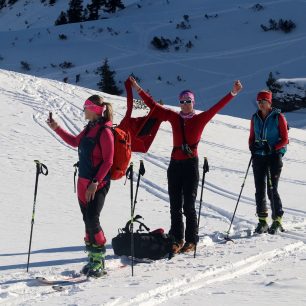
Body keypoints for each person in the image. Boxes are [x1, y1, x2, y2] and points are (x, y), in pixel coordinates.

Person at [129, 76, 243, 253]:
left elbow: (217, 107)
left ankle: (191, 240)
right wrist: (137, 88)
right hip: (175, 165)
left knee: (188, 206)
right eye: (182, 101)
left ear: (193, 102)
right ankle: (177, 239)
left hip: (190, 166)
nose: (184, 104)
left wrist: (233, 93)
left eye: (188, 101)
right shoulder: (174, 117)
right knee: (174, 205)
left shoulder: (200, 119)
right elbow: (153, 106)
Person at [47, 95, 114, 277]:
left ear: (93, 109)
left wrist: (95, 183)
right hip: (83, 183)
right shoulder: (89, 129)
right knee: (87, 221)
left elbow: (108, 161)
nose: (83, 110)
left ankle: (99, 260)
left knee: (93, 219)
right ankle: (92, 259)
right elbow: (74, 142)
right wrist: (57, 128)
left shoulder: (105, 132)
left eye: (86, 107)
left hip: (97, 184)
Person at [249, 90, 288, 235]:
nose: (261, 103)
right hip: (259, 156)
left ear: (270, 102)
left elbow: (285, 139)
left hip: (274, 157)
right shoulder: (255, 118)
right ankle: (262, 221)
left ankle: (277, 220)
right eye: (259, 101)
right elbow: (251, 137)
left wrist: (272, 147)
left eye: (264, 100)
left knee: (272, 188)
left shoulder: (278, 117)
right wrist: (252, 146)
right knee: (259, 189)